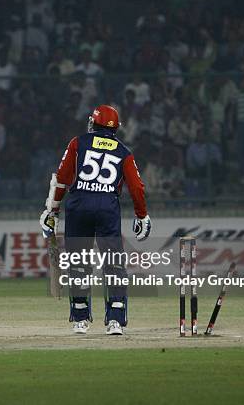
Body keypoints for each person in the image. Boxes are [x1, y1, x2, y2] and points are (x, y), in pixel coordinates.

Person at [39, 105, 150, 336]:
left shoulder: (78, 143)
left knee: (78, 263)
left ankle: (80, 320)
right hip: (108, 207)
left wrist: (52, 211)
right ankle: (115, 321)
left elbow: (61, 179)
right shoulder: (123, 151)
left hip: (79, 205)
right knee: (114, 264)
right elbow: (137, 188)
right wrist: (141, 215)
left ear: (93, 123)